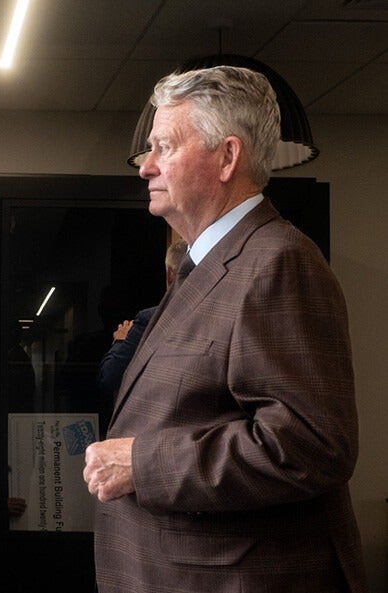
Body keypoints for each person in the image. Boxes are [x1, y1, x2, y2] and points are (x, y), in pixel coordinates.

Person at [82, 65, 367, 592]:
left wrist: (143, 462)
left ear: (227, 157)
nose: (146, 167)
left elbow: (313, 445)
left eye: (163, 147)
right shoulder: (202, 265)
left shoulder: (280, 261)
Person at [94, 239, 188, 423]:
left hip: (156, 426)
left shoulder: (151, 320)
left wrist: (120, 341)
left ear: (169, 274)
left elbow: (109, 376)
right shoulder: (224, 314)